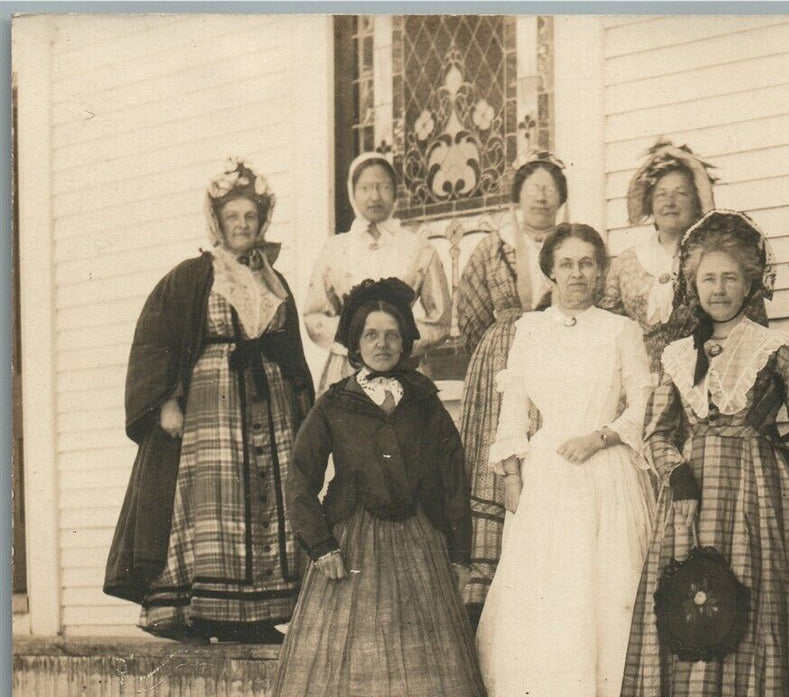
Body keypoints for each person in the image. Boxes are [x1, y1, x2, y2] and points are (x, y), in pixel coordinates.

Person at [613, 211, 789, 697]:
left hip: (756, 493)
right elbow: (657, 433)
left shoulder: (773, 350)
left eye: (730, 279)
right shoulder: (678, 356)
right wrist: (676, 472)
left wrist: (774, 449)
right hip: (691, 496)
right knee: (694, 597)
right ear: (692, 286)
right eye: (708, 280)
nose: (719, 290)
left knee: (754, 598)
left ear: (750, 283)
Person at [257, 278, 500, 697]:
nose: (383, 343)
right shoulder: (335, 404)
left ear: (406, 341)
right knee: (342, 665)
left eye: (393, 334)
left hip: (414, 543)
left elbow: (452, 477)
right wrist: (320, 545)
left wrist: (458, 550)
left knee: (404, 665)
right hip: (351, 545)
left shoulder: (424, 403)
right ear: (354, 342)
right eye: (372, 334)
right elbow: (300, 480)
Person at [104, 159, 314, 643]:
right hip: (213, 406)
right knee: (217, 500)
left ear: (262, 223)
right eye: (233, 217)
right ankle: (211, 609)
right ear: (217, 222)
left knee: (273, 499)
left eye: (250, 218)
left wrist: (305, 410)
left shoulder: (273, 279)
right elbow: (155, 341)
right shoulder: (193, 275)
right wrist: (165, 403)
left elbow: (291, 350)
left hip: (272, 404)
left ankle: (261, 613)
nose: (242, 226)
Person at [477, 224, 655, 697]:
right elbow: (515, 408)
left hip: (605, 469)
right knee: (554, 597)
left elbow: (642, 401)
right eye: (568, 263)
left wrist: (601, 437)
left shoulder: (622, 330)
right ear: (550, 270)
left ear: (601, 272)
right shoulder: (529, 330)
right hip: (549, 475)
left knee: (603, 591)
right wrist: (512, 475)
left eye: (588, 263)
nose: (578, 273)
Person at [455, 150, 569, 613]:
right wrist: (500, 348)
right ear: (517, 195)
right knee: (496, 461)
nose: (542, 196)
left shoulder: (571, 247)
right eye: (533, 186)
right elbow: (469, 315)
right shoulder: (493, 247)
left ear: (562, 198)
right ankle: (484, 584)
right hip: (501, 363)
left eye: (551, 188)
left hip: (559, 361)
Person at [602, 139, 769, 370]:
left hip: (705, 376)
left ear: (698, 200)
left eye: (681, 194)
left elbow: (754, 324)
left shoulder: (722, 256)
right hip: (639, 382)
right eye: (661, 195)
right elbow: (608, 330)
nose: (670, 202)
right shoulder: (626, 262)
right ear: (649, 202)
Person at [302, 151, 452, 390]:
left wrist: (399, 341)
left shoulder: (419, 248)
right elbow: (314, 314)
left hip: (404, 365)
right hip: (348, 366)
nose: (375, 196)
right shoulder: (334, 249)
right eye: (365, 188)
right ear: (353, 193)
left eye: (383, 187)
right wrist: (353, 339)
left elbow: (440, 319)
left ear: (395, 192)